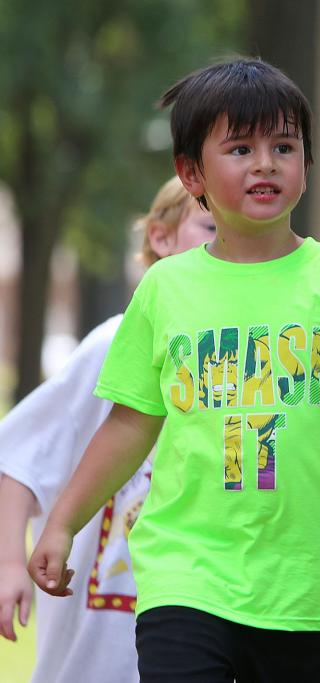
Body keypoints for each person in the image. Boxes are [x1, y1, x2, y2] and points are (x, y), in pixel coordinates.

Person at [27, 58, 320, 683]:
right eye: (240, 148)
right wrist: (63, 522)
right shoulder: (164, 290)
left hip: (311, 597)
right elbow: (128, 424)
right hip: (188, 579)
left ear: (305, 166)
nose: (265, 163)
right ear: (191, 172)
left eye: (284, 146)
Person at [0, 176, 216, 683]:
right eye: (209, 225)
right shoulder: (113, 344)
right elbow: (16, 460)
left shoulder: (239, 357)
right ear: (161, 238)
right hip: (89, 660)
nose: (225, 241)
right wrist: (10, 563)